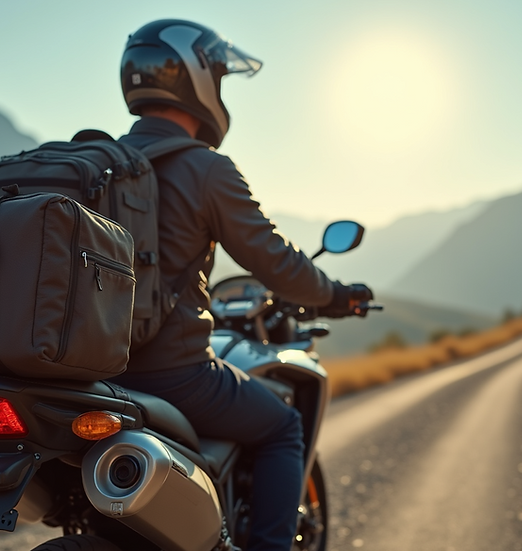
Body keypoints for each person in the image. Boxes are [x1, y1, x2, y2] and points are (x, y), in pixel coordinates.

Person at [109, 19, 372, 551]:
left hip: (94, 375)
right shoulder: (205, 168)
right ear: (198, 81)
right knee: (282, 429)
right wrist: (337, 294)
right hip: (174, 375)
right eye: (222, 77)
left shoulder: (99, 166)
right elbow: (275, 262)